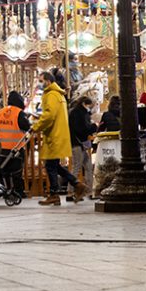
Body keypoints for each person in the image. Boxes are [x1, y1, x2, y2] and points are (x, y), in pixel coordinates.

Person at [33, 72, 86, 205]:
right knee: (54, 165)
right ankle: (76, 184)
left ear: (48, 81)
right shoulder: (59, 95)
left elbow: (49, 115)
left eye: (41, 81)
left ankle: (55, 194)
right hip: (58, 134)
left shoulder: (51, 95)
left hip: (53, 136)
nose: (40, 84)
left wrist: (36, 126)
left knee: (50, 166)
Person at [0, 91, 32, 196]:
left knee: (5, 171)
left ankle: (5, 190)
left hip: (3, 148)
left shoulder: (0, 112)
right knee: (17, 172)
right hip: (17, 148)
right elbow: (27, 127)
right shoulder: (19, 113)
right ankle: (18, 192)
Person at [67, 95, 97, 202]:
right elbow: (82, 129)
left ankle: (88, 190)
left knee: (88, 166)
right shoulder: (79, 113)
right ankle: (70, 192)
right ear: (85, 104)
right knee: (77, 167)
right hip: (78, 144)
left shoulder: (78, 112)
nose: (91, 108)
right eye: (90, 106)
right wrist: (93, 126)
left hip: (80, 144)